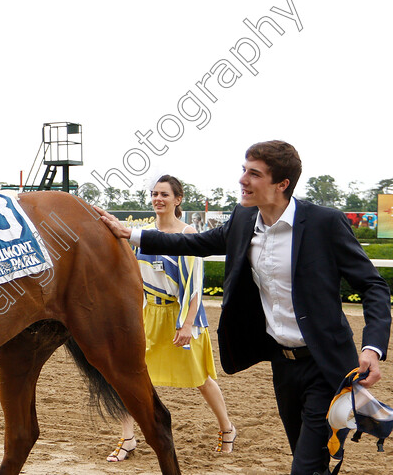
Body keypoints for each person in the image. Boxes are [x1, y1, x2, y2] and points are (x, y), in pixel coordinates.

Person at [95, 141, 391, 475]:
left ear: (282, 185)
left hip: (325, 366)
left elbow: (373, 285)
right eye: (243, 170)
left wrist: (372, 348)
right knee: (309, 458)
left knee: (305, 467)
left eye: (254, 174)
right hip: (282, 365)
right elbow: (194, 243)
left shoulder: (326, 223)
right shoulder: (243, 219)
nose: (242, 180)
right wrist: (131, 234)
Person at [107, 174, 235, 463]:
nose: (157, 199)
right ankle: (127, 438)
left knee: (200, 378)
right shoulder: (140, 235)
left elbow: (194, 287)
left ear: (178, 199)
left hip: (182, 316)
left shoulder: (189, 235)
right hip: (147, 315)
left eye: (164, 194)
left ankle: (227, 429)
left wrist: (187, 324)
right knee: (130, 377)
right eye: (154, 194)